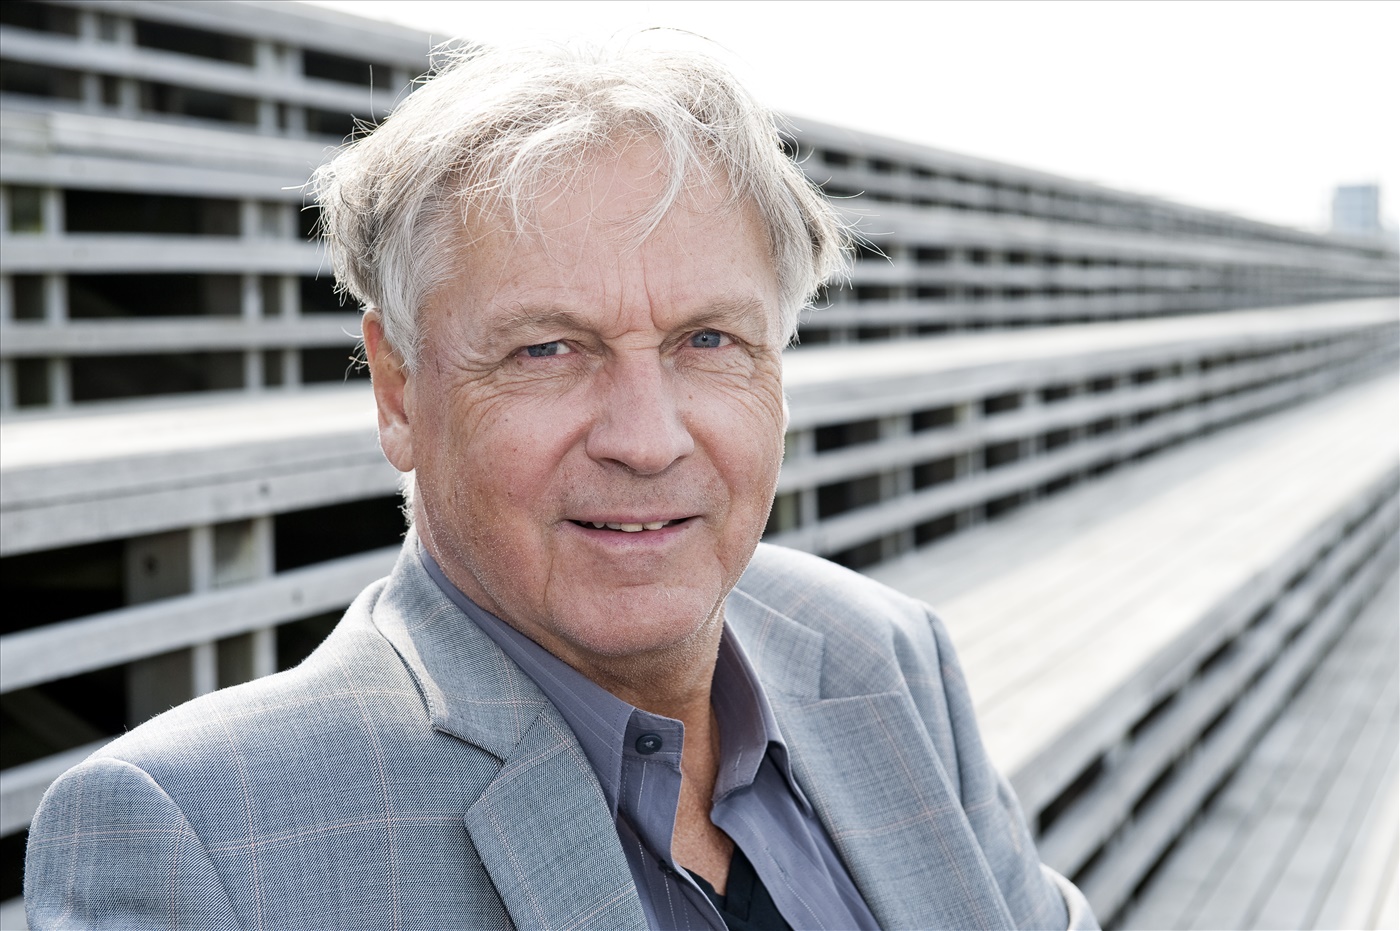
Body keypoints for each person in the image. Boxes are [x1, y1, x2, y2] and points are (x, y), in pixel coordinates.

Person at [25, 38, 1097, 931]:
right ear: (398, 392)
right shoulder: (201, 843)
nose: (646, 439)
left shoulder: (883, 653)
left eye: (709, 340)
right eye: (546, 349)